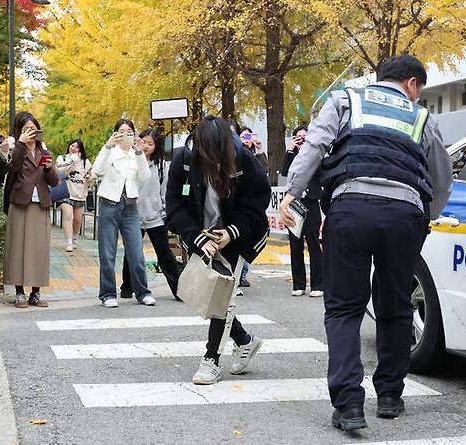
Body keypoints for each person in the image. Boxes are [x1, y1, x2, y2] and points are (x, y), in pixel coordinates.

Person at [279, 55, 453, 431]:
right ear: (412, 84)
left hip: (351, 210)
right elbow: (440, 179)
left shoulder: (345, 101)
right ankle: (389, 396)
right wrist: (429, 214)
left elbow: (314, 146)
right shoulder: (423, 117)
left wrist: (291, 193)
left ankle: (348, 405)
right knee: (394, 305)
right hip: (404, 218)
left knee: (343, 308)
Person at [166, 115, 270, 385]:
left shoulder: (243, 160)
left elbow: (257, 204)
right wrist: (197, 238)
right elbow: (174, 206)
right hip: (203, 236)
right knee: (204, 293)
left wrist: (232, 232)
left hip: (239, 235)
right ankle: (245, 341)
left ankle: (210, 360)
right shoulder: (184, 161)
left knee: (222, 294)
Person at [91, 118, 155, 308]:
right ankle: (108, 294)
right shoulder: (111, 151)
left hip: (130, 207)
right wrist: (108, 146)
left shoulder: (136, 154)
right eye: (121, 131)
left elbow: (145, 176)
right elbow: (97, 170)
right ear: (115, 133)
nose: (125, 135)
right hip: (109, 205)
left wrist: (138, 152)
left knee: (136, 253)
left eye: (129, 132)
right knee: (107, 253)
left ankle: (142, 292)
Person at [3, 111, 60, 308]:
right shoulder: (15, 148)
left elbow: (54, 181)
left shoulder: (44, 150)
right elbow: (13, 167)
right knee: (18, 247)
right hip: (20, 202)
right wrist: (20, 143)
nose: (30, 133)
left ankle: (36, 292)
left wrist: (49, 167)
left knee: (39, 249)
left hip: (41, 203)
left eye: (33, 129)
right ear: (19, 131)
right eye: (26, 129)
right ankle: (19, 292)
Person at [120, 128, 180, 300]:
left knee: (164, 253)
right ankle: (127, 287)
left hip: (156, 217)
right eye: (144, 142)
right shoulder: (132, 162)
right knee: (131, 252)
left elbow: (164, 191)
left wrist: (164, 213)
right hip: (134, 216)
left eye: (150, 143)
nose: (146, 146)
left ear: (157, 146)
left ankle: (178, 289)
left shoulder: (162, 166)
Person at [281, 124, 323, 297]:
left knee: (314, 245)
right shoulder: (292, 155)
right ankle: (298, 284)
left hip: (312, 202)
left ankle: (318, 285)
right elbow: (285, 171)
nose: (302, 140)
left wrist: (308, 149)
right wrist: (291, 150)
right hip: (294, 204)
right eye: (299, 137)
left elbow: (321, 173)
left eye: (305, 137)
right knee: (295, 245)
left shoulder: (316, 154)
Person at [56, 139, 93, 252]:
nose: (73, 148)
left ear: (80, 150)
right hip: (65, 193)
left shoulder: (86, 162)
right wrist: (73, 160)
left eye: (77, 147)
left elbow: (92, 179)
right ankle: (69, 242)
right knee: (68, 216)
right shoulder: (62, 158)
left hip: (80, 194)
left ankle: (74, 237)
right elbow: (61, 171)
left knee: (77, 220)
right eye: (72, 145)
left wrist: (89, 177)